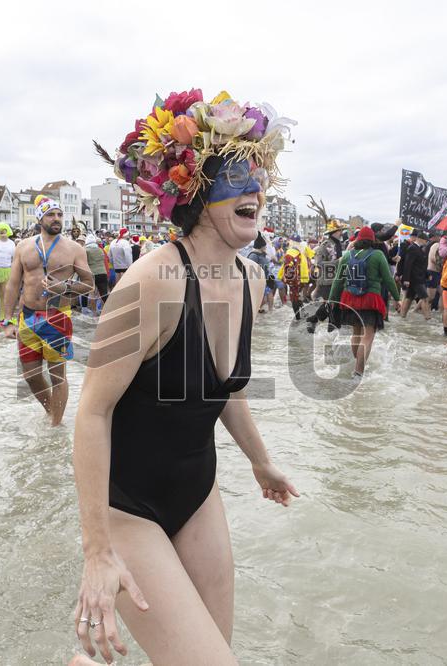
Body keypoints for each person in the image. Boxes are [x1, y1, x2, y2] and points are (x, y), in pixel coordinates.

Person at [74, 90, 298, 665]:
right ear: (196, 193)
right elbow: (93, 413)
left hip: (197, 493)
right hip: (128, 506)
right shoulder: (153, 281)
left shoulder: (251, 280)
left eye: (261, 181)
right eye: (239, 181)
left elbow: (223, 390)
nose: (256, 192)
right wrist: (96, 550)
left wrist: (259, 459)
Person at [2, 196, 93, 426]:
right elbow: (13, 284)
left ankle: (55, 427)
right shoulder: (23, 247)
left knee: (57, 375)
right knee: (30, 375)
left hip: (58, 317)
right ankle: (51, 411)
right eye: (51, 214)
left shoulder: (74, 249)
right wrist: (7, 320)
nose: (56, 219)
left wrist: (65, 286)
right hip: (28, 317)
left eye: (60, 214)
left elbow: (89, 283)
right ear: (40, 218)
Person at [328, 226, 401, 381]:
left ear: (358, 240)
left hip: (350, 298)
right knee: (368, 336)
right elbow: (388, 279)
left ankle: (357, 364)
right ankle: (358, 371)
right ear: (372, 240)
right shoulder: (378, 255)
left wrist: (332, 299)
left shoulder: (348, 255)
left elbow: (338, 280)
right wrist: (397, 297)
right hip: (370, 299)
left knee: (356, 333)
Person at [306, 219, 346, 333]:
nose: (341, 232)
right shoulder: (324, 245)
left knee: (334, 305)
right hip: (326, 281)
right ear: (334, 232)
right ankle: (331, 331)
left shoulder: (339, 244)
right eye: (340, 230)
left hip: (337, 279)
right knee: (333, 305)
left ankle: (315, 320)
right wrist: (337, 262)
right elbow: (319, 263)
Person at [398, 228, 431, 320]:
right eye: (425, 241)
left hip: (418, 277)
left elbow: (421, 265)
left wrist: (427, 274)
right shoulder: (412, 248)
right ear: (420, 239)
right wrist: (406, 279)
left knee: (409, 298)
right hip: (415, 279)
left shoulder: (419, 249)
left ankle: (402, 317)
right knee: (425, 297)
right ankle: (428, 318)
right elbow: (408, 264)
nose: (426, 242)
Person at [83, 233, 109, 313]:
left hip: (92, 274)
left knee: (91, 293)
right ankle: (107, 310)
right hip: (102, 273)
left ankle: (94, 311)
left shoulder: (85, 250)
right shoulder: (100, 250)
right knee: (104, 294)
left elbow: (84, 263)